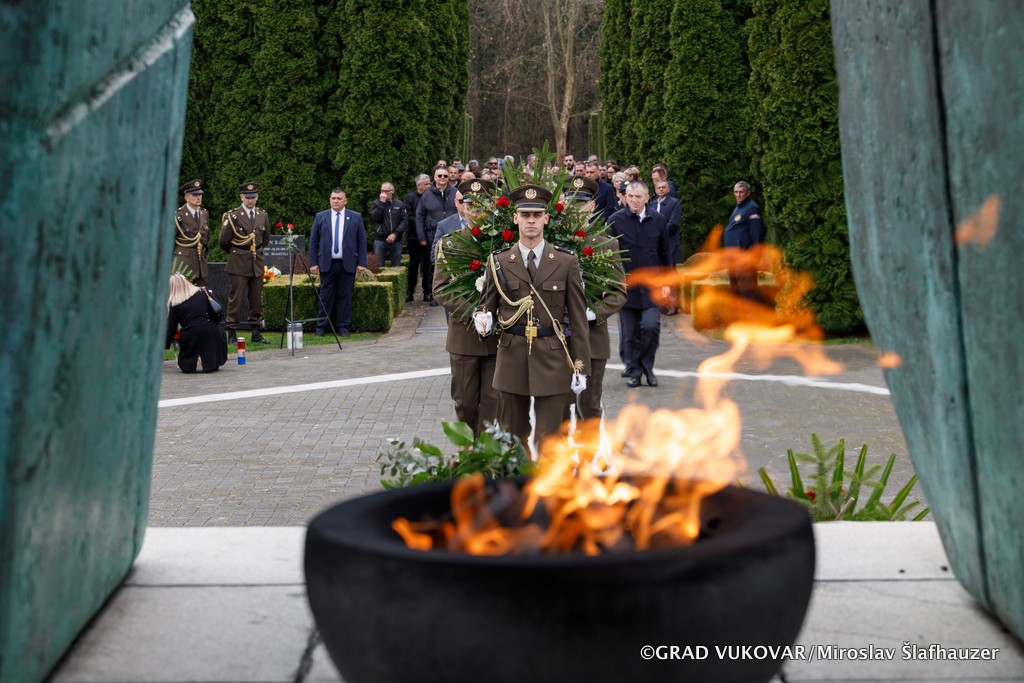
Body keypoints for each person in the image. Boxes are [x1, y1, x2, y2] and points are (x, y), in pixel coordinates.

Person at [475, 184, 591, 445]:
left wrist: (581, 366)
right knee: (512, 438)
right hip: (512, 358)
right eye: (525, 215)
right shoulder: (499, 261)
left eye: (537, 215)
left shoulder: (566, 261)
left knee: (550, 439)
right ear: (515, 218)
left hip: (552, 358)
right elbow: (486, 307)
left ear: (546, 219)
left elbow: (578, 319)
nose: (531, 220)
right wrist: (483, 320)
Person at [432, 179, 500, 435]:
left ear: (491, 207)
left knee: (494, 401)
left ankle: (488, 450)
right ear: (462, 207)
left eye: (481, 205)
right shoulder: (450, 244)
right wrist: (472, 313)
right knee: (465, 401)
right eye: (470, 205)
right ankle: (471, 445)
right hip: (464, 334)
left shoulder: (502, 243)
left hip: (497, 335)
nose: (475, 211)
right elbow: (440, 289)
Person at [562, 176, 626, 422]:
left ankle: (589, 448)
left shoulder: (606, 244)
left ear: (591, 206)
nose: (576, 209)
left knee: (589, 408)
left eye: (581, 204)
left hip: (592, 338)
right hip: (559, 341)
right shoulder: (554, 243)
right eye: (571, 203)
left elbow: (618, 291)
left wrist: (594, 312)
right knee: (558, 410)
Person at [607, 181, 671, 388]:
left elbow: (665, 253)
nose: (633, 200)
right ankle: (634, 371)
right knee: (630, 333)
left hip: (652, 287)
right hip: (626, 287)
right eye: (630, 196)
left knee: (651, 327)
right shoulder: (615, 220)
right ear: (625, 197)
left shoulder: (658, 220)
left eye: (638, 196)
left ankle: (647, 368)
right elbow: (608, 255)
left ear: (646, 198)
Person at [309, 189, 367, 337]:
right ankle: (321, 327)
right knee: (325, 297)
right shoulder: (320, 217)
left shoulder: (355, 217)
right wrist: (313, 263)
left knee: (345, 297)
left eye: (339, 198)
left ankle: (343, 328)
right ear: (330, 200)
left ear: (345, 201)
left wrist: (361, 262)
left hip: (347, 264)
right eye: (333, 198)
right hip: (326, 264)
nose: (336, 201)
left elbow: (361, 241)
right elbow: (314, 241)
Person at [218, 182, 271, 345]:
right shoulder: (233, 216)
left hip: (256, 263)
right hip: (238, 263)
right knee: (236, 299)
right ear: (241, 197)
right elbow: (223, 241)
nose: (250, 200)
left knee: (256, 299)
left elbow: (265, 240)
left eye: (253, 197)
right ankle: (232, 332)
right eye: (247, 197)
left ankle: (256, 332)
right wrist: (238, 253)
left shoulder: (262, 215)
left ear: (257, 197)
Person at [166, 273, 228, 373]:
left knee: (186, 368)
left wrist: (164, 345)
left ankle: (189, 364)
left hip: (191, 334)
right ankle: (211, 362)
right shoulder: (204, 292)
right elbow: (219, 307)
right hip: (212, 330)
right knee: (212, 365)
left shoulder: (174, 304)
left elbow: (171, 329)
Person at [416, 165, 458, 306]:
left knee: (454, 264)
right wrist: (421, 237)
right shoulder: (427, 195)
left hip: (454, 235)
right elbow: (419, 216)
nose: (442, 178)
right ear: (434, 177)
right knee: (433, 265)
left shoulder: (455, 193)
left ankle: (453, 292)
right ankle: (434, 294)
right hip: (433, 235)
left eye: (445, 175)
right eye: (439, 175)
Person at [724, 180, 766, 300]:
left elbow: (757, 233)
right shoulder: (739, 208)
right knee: (736, 291)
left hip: (744, 258)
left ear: (748, 193)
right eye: (736, 192)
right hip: (734, 259)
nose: (738, 195)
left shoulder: (752, 209)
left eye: (741, 192)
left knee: (747, 291)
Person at [173, 179, 210, 287]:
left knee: (201, 293)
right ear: (186, 198)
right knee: (184, 295)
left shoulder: (204, 213)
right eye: (195, 195)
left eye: (200, 195)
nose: (198, 197)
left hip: (201, 263)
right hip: (184, 263)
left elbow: (206, 238)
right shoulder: (179, 215)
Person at [403, 174, 431, 303]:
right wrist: (421, 224)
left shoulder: (431, 197)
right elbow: (408, 215)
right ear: (418, 185)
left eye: (429, 183)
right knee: (414, 264)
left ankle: (427, 291)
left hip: (428, 235)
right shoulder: (409, 198)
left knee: (428, 264)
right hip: (414, 236)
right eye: (426, 184)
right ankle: (410, 291)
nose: (429, 186)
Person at [370, 181, 407, 267]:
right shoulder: (376, 203)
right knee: (379, 266)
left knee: (396, 266)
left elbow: (404, 221)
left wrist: (395, 234)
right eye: (382, 191)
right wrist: (382, 203)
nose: (384, 194)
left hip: (396, 239)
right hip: (380, 239)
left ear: (392, 191)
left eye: (386, 191)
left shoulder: (399, 204)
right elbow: (376, 218)